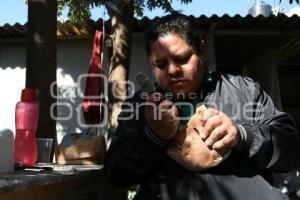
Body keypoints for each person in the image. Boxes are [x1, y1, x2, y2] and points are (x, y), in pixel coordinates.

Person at [104, 13, 300, 200]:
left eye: (182, 58)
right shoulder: (142, 105)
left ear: (202, 50)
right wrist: (153, 137)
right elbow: (116, 173)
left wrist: (242, 135)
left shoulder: (243, 90)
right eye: (161, 64)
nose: (172, 70)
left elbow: (291, 148)